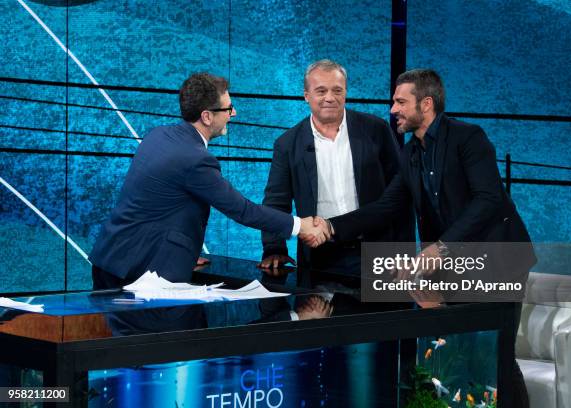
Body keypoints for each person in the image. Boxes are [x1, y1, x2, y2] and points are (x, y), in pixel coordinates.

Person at [314, 69, 536, 407]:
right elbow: (387, 206)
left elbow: (488, 200)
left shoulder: (468, 138)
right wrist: (330, 227)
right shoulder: (411, 154)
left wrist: (441, 248)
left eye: (401, 102)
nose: (393, 110)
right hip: (458, 267)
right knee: (461, 355)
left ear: (427, 103)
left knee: (494, 353)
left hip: (499, 262)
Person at [89, 73, 327, 289]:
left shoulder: (159, 135)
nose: (234, 114)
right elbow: (243, 210)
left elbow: (158, 206)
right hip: (141, 273)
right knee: (155, 337)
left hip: (111, 260)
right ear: (206, 116)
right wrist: (301, 226)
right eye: (228, 109)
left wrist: (185, 251)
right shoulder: (195, 160)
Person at [259, 59, 414, 286]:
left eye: (337, 90)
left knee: (380, 319)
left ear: (345, 93)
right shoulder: (287, 144)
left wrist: (404, 252)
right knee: (326, 321)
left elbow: (400, 192)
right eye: (321, 91)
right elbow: (276, 201)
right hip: (320, 254)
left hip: (378, 252)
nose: (329, 98)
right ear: (306, 95)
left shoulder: (376, 129)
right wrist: (274, 247)